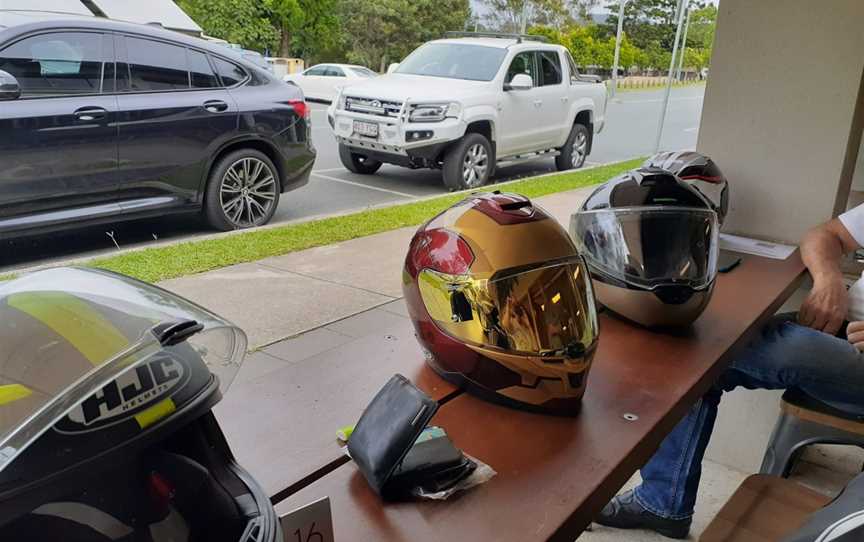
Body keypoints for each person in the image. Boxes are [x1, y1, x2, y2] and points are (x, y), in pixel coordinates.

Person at [596, 205, 864, 539]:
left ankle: (659, 502)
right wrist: (829, 279)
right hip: (836, 327)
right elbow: (824, 235)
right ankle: (662, 502)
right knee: (712, 339)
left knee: (701, 355)